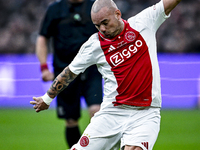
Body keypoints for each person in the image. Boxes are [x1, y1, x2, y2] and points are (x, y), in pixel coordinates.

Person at [30, 0, 182, 149]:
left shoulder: (143, 22)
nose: (102, 29)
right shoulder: (94, 45)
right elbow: (69, 72)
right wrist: (47, 98)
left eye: (105, 22)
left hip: (145, 113)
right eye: (97, 26)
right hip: (112, 113)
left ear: (117, 14)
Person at [35, 0, 102, 148]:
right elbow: (42, 37)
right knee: (70, 120)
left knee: (96, 112)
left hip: (92, 70)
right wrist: (44, 67)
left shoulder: (95, 6)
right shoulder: (55, 10)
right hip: (65, 72)